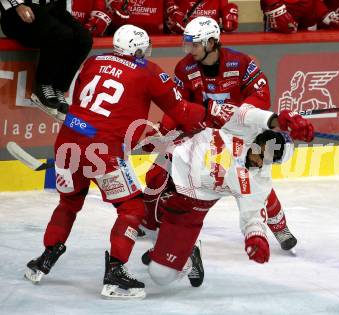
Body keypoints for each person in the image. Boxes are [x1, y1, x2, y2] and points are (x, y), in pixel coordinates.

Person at [24, 24, 209, 299]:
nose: (146, 52)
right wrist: (210, 112)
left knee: (69, 202)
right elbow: (180, 110)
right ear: (136, 48)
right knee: (132, 208)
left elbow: (89, 105)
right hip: (102, 149)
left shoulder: (93, 61)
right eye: (144, 47)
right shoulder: (148, 71)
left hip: (68, 140)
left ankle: (44, 260)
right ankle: (115, 274)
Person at [140, 103, 314, 287]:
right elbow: (246, 114)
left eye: (267, 156)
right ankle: (163, 240)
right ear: (260, 136)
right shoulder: (243, 129)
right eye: (262, 146)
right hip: (172, 165)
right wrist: (279, 120)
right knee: (146, 216)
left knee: (160, 275)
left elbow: (253, 215)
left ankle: (188, 259)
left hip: (191, 204)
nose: (259, 156)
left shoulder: (259, 181)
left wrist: (255, 236)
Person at [171, 16, 300, 252]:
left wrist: (237, 114)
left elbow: (261, 95)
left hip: (241, 133)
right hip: (207, 135)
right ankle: (169, 232)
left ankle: (279, 225)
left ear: (211, 43)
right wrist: (169, 129)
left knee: (253, 180)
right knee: (189, 183)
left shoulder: (239, 62)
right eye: (188, 44)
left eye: (194, 44)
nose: (189, 50)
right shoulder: (184, 68)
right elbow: (178, 105)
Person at [0, 0, 93, 121]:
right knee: (60, 32)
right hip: (18, 12)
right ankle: (43, 86)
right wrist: (17, 5)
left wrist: (67, 17)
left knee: (83, 38)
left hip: (50, 12)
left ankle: (59, 88)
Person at [165, 0, 238, 34]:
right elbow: (173, 20)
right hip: (185, 40)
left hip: (212, 39)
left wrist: (229, 23)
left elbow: (228, 25)